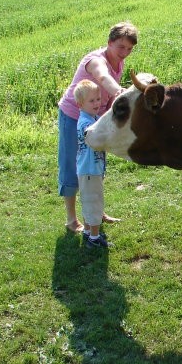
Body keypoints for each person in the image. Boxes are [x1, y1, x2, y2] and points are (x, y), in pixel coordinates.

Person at [58, 21, 138, 233]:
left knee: (95, 165)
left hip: (95, 119)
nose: (125, 53)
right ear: (109, 42)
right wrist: (120, 92)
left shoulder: (118, 63)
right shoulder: (95, 60)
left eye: (130, 49)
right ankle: (71, 219)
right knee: (72, 167)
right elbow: (103, 77)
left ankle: (95, 212)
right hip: (73, 117)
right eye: (121, 47)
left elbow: (107, 97)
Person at [74, 80, 110, 247]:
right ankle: (94, 240)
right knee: (94, 202)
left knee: (89, 201)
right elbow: (93, 138)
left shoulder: (92, 118)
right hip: (89, 170)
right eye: (92, 101)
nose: (97, 103)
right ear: (80, 104)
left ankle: (88, 232)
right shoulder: (85, 123)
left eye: (98, 99)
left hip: (91, 169)